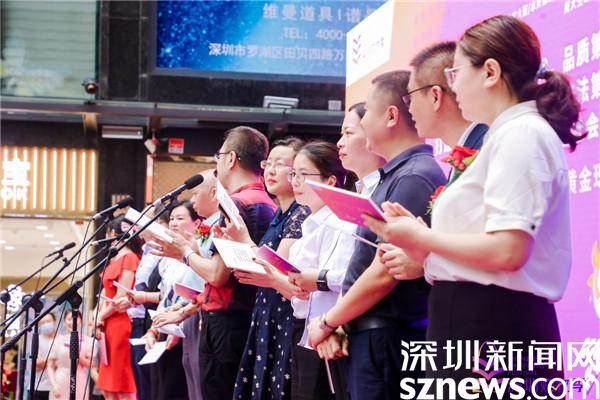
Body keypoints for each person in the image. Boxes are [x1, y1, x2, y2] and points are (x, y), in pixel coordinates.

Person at [362, 15, 584, 398]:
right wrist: (420, 245)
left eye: (456, 72)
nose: (453, 84)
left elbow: (508, 250)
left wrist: (422, 237)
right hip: (472, 324)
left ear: (490, 73)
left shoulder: (522, 134)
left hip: (494, 327)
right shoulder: (507, 134)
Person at [307, 70, 446, 400]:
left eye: (367, 111)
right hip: (372, 337)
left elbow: (385, 270)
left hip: (389, 341)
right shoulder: (396, 175)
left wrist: (328, 321)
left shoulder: (413, 177)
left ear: (391, 116)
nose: (363, 120)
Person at [151, 126, 276, 400]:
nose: (217, 163)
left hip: (227, 320)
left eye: (219, 156)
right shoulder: (267, 202)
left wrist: (185, 252)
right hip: (248, 317)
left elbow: (218, 275)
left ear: (230, 159)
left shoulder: (236, 203)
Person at [228, 137, 310, 400]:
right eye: (268, 163)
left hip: (285, 314)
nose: (270, 171)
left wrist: (242, 238)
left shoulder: (301, 213)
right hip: (268, 311)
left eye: (280, 164)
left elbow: (275, 267)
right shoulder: (280, 213)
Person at [143, 201, 200, 400]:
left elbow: (195, 294)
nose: (174, 223)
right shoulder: (167, 258)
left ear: (196, 223)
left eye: (180, 218)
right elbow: (165, 296)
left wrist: (178, 322)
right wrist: (153, 329)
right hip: (165, 327)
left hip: (184, 327)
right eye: (172, 218)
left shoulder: (197, 255)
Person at [95, 214, 142, 400]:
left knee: (121, 384)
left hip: (120, 321)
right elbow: (105, 294)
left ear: (114, 234)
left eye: (109, 233)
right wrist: (98, 317)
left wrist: (101, 316)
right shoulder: (114, 259)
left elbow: (121, 295)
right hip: (108, 322)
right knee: (108, 387)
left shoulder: (129, 258)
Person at [47, 311, 92, 400]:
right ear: (64, 322)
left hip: (79, 381)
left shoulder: (88, 341)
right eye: (69, 319)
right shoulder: (57, 341)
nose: (72, 322)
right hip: (60, 381)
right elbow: (50, 366)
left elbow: (91, 364)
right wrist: (54, 385)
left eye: (75, 319)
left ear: (81, 321)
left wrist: (77, 354)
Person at [29, 312, 57, 400]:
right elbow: (36, 365)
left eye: (48, 321)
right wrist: (54, 360)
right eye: (43, 323)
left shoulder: (60, 340)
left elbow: (63, 363)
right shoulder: (36, 340)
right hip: (37, 387)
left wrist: (44, 362)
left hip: (56, 388)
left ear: (54, 322)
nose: (46, 324)